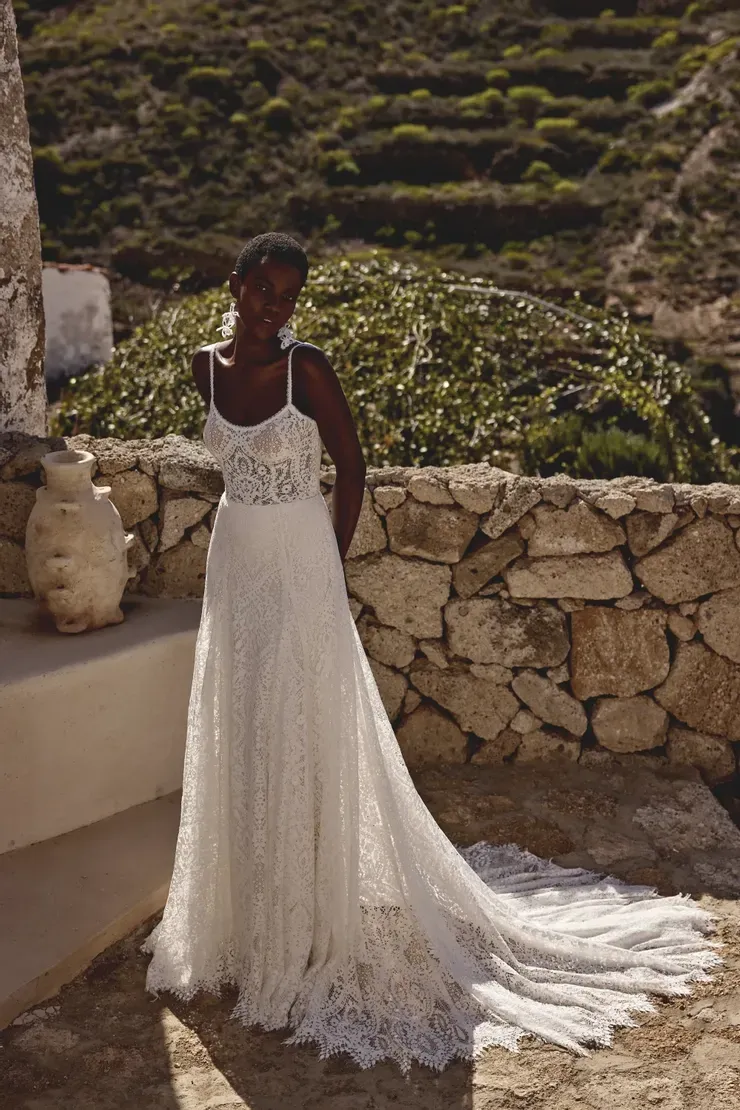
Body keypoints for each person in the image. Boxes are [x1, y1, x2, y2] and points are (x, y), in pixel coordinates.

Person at [142, 232, 720, 1074]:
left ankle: (314, 919)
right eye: (263, 290)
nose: (275, 307)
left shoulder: (312, 371)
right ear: (235, 285)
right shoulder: (204, 367)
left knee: (305, 730)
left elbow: (351, 465)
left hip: (301, 565)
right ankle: (257, 917)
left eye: (288, 296)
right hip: (236, 569)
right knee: (248, 729)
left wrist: (324, 568)